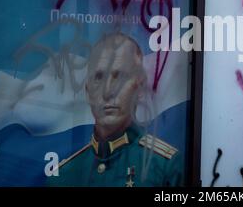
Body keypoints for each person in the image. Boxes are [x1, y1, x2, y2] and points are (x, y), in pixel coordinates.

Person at [47, 33, 183, 187]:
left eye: (120, 77)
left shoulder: (164, 168)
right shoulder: (63, 176)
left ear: (139, 88)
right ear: (87, 91)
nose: (108, 92)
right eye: (98, 77)